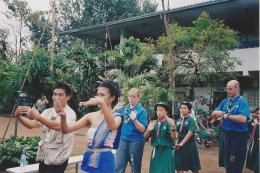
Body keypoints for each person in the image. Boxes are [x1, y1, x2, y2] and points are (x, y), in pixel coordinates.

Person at [57, 80, 122, 173]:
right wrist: (63, 117)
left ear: (112, 97)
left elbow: (112, 126)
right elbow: (66, 130)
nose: (98, 97)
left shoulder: (117, 116)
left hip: (105, 161)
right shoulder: (90, 116)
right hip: (88, 158)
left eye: (102, 95)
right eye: (97, 94)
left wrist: (102, 103)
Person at [14, 83, 76, 173]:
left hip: (58, 160)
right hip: (45, 157)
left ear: (68, 97)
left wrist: (38, 117)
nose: (56, 97)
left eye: (60, 95)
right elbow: (31, 124)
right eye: (55, 94)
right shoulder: (47, 112)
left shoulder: (70, 114)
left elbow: (58, 126)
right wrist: (18, 116)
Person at [211, 80, 250, 173]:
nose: (227, 91)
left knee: (235, 161)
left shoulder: (242, 102)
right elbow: (213, 114)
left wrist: (227, 116)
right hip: (226, 134)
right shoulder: (225, 101)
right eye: (227, 89)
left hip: (238, 136)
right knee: (227, 160)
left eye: (230, 89)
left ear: (237, 88)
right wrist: (218, 113)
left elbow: (243, 119)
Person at [115, 88, 148, 173]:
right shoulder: (123, 109)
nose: (131, 98)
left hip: (135, 142)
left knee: (135, 167)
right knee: (118, 166)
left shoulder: (142, 111)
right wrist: (114, 109)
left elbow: (142, 129)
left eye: (133, 96)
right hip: (122, 141)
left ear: (138, 98)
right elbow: (111, 119)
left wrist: (135, 120)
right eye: (129, 96)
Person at [144, 102, 177, 173]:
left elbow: (174, 137)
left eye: (161, 110)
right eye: (157, 110)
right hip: (156, 151)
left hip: (166, 151)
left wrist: (173, 126)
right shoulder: (153, 123)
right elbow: (145, 138)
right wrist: (148, 130)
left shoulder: (169, 122)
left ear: (166, 112)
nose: (158, 112)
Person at [175, 102, 201, 173]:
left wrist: (182, 143)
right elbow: (176, 134)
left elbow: (190, 133)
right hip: (179, 145)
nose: (182, 109)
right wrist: (175, 142)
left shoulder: (191, 120)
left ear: (189, 110)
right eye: (181, 108)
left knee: (193, 166)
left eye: (185, 108)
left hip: (189, 145)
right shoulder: (178, 120)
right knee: (179, 165)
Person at [246, 107, 259, 173]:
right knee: (255, 163)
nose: (258, 115)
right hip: (255, 143)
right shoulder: (251, 122)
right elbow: (246, 130)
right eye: (257, 113)